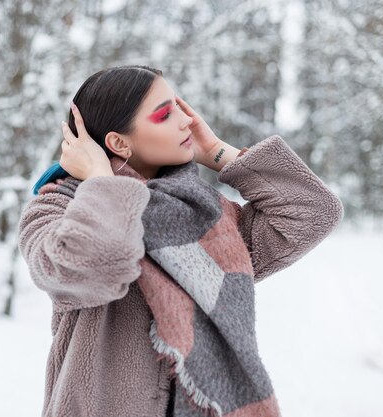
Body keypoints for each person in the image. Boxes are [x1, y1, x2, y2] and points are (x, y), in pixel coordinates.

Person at [17, 65, 344, 417]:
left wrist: (218, 152)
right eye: (164, 114)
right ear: (118, 142)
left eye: (178, 107)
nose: (186, 121)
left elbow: (313, 211)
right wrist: (103, 184)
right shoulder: (60, 207)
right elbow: (88, 267)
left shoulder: (205, 215)